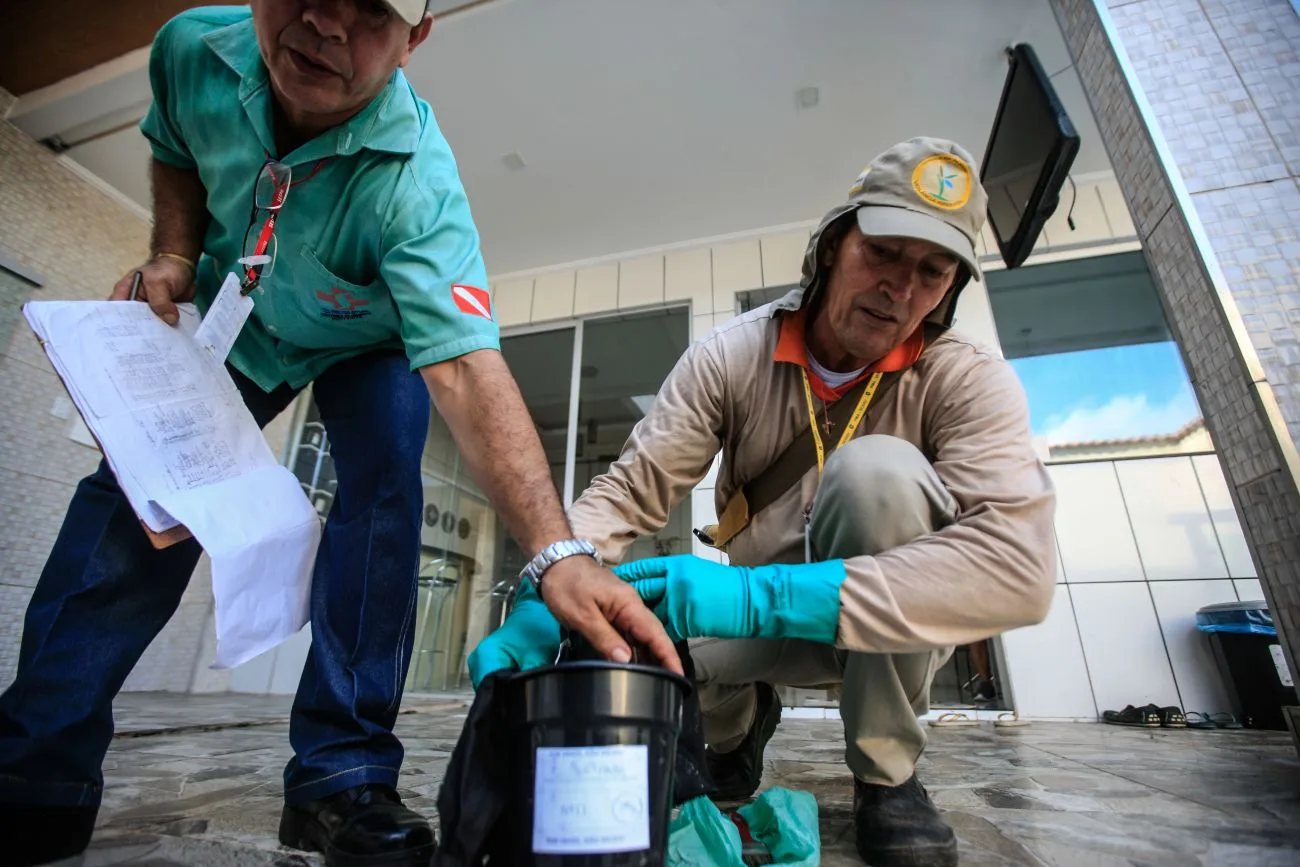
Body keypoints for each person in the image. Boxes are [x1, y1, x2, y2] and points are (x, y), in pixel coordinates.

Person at [0, 3, 675, 866]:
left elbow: (466, 369)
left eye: (369, 9)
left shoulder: (417, 184)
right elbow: (174, 147)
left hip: (373, 337)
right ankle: (35, 767)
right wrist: (173, 250)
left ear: (414, 37)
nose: (324, 23)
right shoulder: (190, 50)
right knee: (137, 494)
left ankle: (340, 775)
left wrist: (553, 550)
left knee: (384, 495)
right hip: (243, 312)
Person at [472, 137, 1057, 867]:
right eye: (883, 254)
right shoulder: (731, 357)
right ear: (833, 245)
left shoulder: (965, 379)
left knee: (878, 475)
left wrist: (762, 595)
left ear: (948, 289)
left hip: (889, 625)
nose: (900, 289)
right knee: (641, 633)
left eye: (931, 272)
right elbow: (629, 490)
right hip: (757, 616)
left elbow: (1018, 569)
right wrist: (550, 580)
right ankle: (737, 727)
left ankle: (887, 773)